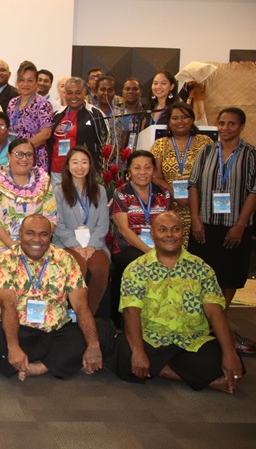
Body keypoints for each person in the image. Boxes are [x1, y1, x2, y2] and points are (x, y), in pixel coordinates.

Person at [112, 212, 244, 393]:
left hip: (191, 339)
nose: (169, 235)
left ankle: (159, 368)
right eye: (162, 230)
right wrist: (138, 352)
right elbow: (131, 312)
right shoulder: (136, 269)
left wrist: (230, 353)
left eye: (175, 229)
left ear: (183, 232)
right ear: (152, 234)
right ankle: (208, 381)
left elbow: (215, 312)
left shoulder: (201, 268)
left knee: (229, 359)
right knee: (125, 353)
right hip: (151, 338)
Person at [0, 214, 104, 380]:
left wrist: (93, 345)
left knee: (99, 331)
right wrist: (13, 346)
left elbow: (81, 306)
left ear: (50, 236)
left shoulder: (65, 259)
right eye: (30, 233)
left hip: (56, 331)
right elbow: (8, 305)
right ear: (20, 234)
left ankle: (41, 367)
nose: (37, 239)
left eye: (43, 234)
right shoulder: (6, 260)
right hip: (22, 331)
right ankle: (58, 361)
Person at [188, 107, 256, 354]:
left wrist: (240, 225)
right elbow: (193, 185)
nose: (225, 128)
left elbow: (254, 191)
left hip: (234, 227)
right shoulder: (206, 152)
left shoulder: (251, 154)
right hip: (205, 225)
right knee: (204, 276)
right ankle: (207, 323)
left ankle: (219, 324)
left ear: (241, 126)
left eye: (231, 124)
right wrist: (195, 219)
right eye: (222, 123)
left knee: (230, 276)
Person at [0, 139, 57, 320]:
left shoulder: (44, 182)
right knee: (10, 262)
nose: (24, 158)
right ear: (9, 156)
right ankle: (3, 319)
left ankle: (42, 319)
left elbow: (51, 218)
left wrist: (36, 242)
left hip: (37, 242)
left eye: (29, 154)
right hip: (2, 242)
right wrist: (14, 245)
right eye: (18, 154)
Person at [109, 150, 172, 325]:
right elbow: (123, 229)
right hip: (127, 246)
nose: (142, 172)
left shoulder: (163, 193)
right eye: (137, 168)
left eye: (147, 167)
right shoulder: (122, 193)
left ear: (153, 170)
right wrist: (148, 251)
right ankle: (124, 319)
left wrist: (159, 249)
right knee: (138, 261)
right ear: (129, 171)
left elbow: (168, 225)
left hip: (158, 245)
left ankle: (162, 316)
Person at [52, 146, 110, 314]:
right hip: (66, 243)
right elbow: (58, 224)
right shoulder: (58, 191)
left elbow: (103, 223)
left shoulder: (100, 190)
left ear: (90, 165)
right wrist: (77, 245)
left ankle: (88, 313)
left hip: (95, 243)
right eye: (75, 162)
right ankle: (70, 310)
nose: (80, 167)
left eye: (84, 162)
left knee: (100, 268)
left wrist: (91, 245)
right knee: (77, 266)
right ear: (68, 166)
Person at [150, 102, 213, 246]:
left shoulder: (206, 142)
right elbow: (155, 177)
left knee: (200, 248)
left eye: (185, 117)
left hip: (199, 206)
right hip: (172, 205)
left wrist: (193, 197)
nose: (180, 121)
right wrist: (174, 194)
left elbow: (211, 174)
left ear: (192, 120)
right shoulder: (160, 144)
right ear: (169, 122)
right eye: (175, 118)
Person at [47, 77, 108, 186]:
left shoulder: (95, 114)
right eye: (69, 93)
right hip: (57, 170)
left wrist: (98, 170)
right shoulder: (57, 114)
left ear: (85, 93)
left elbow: (104, 145)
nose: (73, 97)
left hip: (81, 172)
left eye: (78, 93)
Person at [6, 61, 54, 170]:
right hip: (14, 156)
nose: (25, 84)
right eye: (22, 80)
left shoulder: (42, 103)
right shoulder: (13, 103)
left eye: (30, 80)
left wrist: (23, 149)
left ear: (36, 82)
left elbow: (46, 134)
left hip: (34, 156)